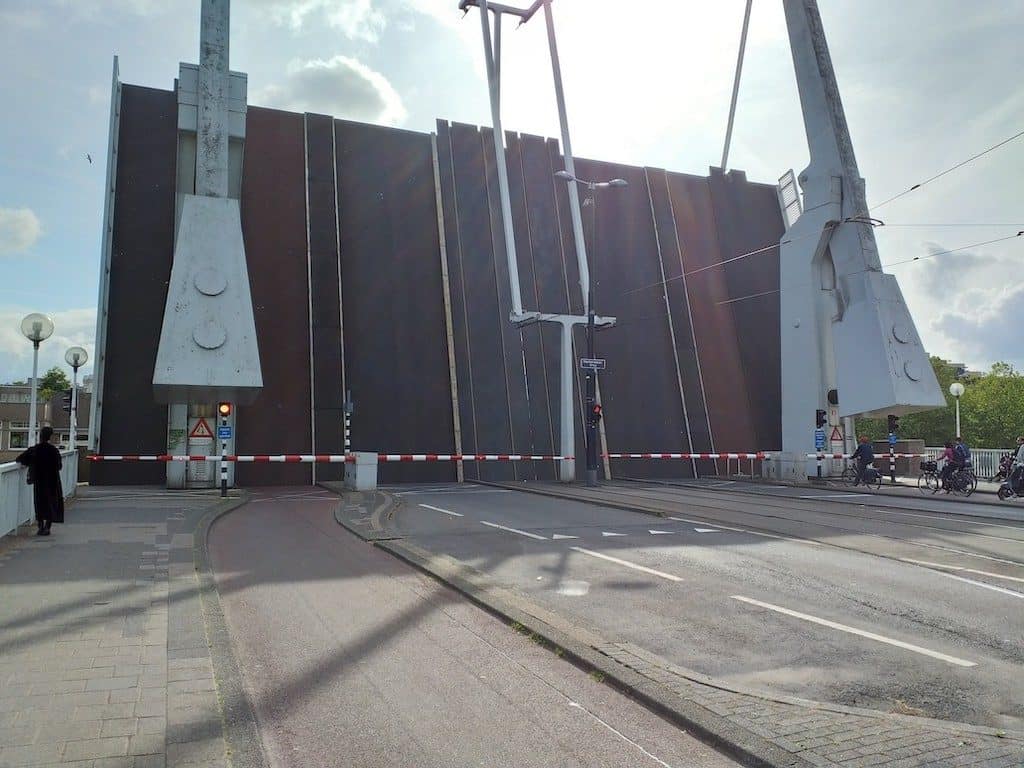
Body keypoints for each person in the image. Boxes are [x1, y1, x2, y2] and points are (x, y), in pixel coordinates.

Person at [16, 426, 64, 536]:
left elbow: (20, 459)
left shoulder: (35, 450)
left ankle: (40, 526)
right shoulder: (54, 451)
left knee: (39, 503)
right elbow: (59, 466)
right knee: (51, 502)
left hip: (39, 481)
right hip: (52, 481)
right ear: (50, 437)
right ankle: (47, 526)